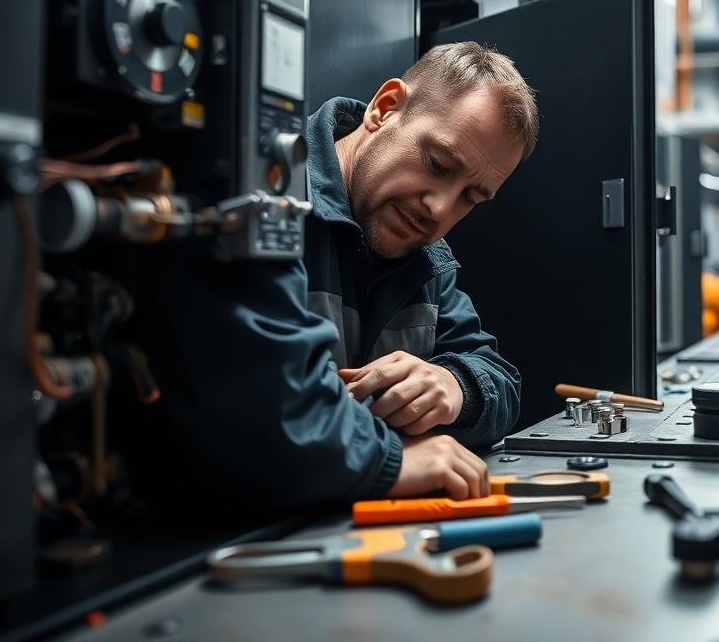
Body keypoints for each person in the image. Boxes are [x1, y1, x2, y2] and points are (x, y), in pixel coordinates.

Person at [146, 42, 538, 510]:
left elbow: (501, 380)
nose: (439, 208)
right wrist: (392, 462)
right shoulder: (271, 198)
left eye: (471, 198)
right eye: (438, 165)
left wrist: (456, 387)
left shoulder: (425, 252)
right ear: (385, 108)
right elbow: (257, 406)